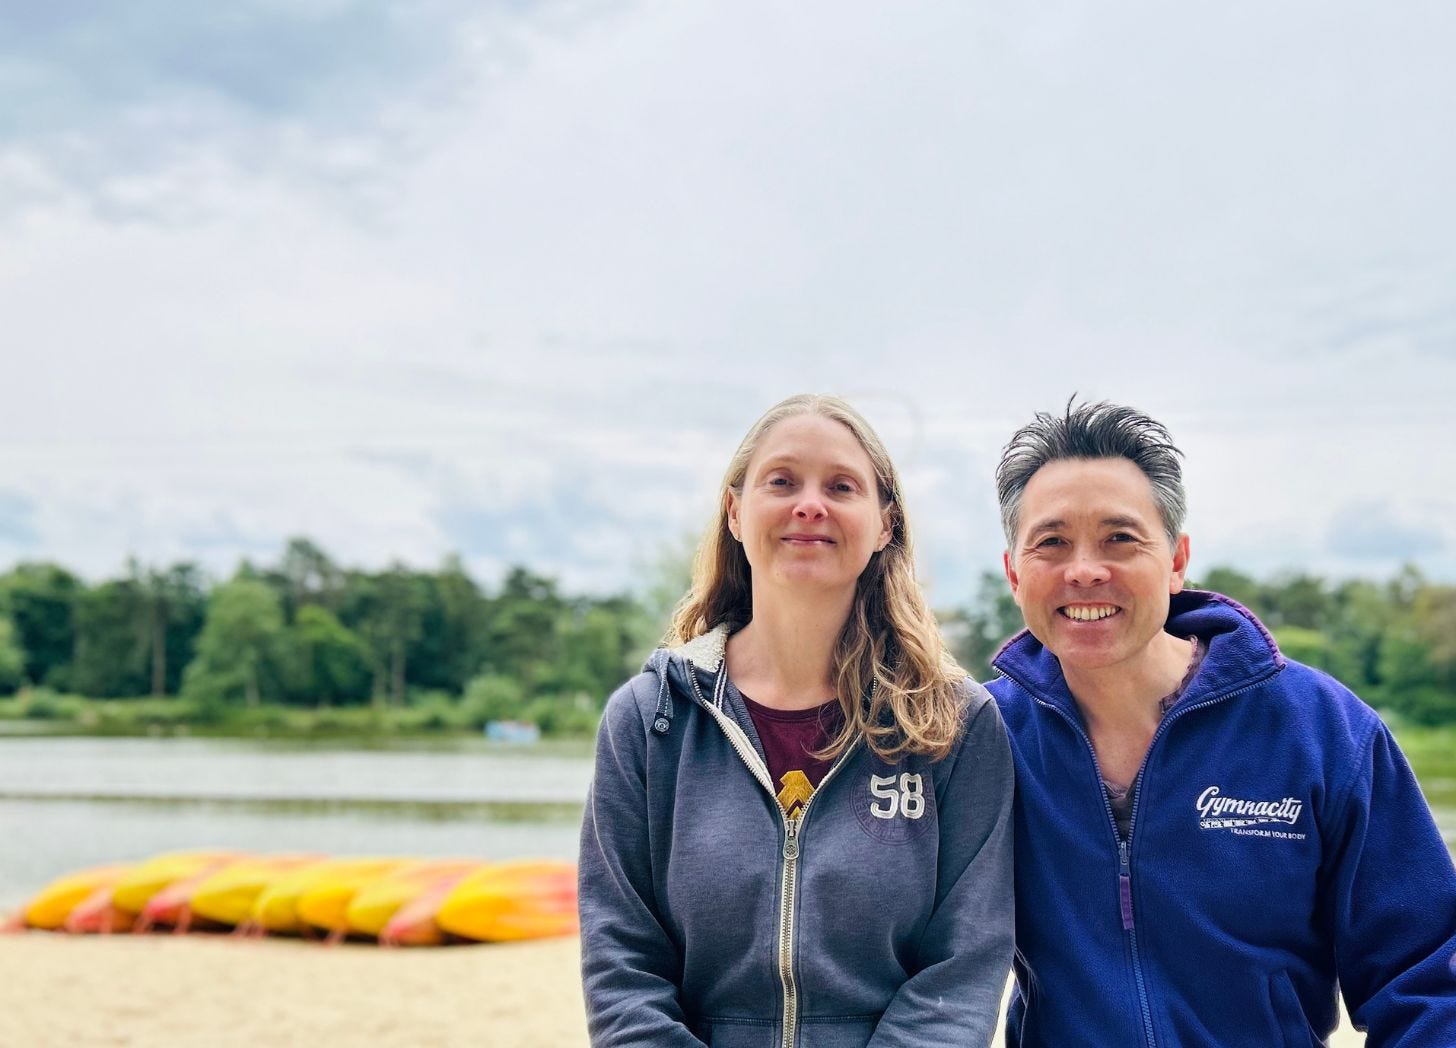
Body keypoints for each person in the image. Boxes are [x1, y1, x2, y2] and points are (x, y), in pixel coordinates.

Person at [986, 399, 1456, 1046]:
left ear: (1177, 561)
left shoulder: (1321, 732)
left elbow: (1426, 979)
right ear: (1015, 572)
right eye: (1052, 542)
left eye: (1120, 538)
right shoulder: (983, 739)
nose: (1085, 569)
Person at [578, 394, 1014, 1047]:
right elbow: (622, 969)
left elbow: (964, 968)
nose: (810, 504)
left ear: (885, 524)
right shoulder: (648, 720)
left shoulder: (956, 724)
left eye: (841, 486)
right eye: (781, 481)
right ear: (735, 511)